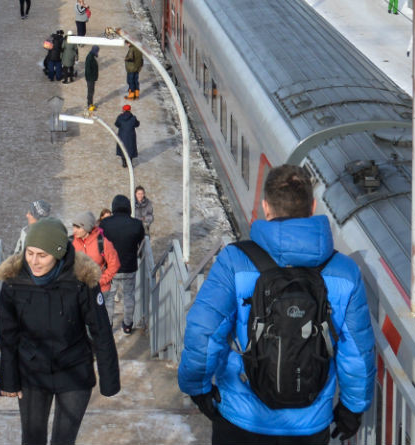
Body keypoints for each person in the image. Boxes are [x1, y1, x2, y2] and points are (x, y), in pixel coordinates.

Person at [179, 165, 374, 444]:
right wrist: (353, 408)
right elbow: (356, 351)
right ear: (313, 207)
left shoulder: (234, 261)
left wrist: (198, 388)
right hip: (309, 425)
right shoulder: (344, 271)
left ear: (266, 208)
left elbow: (204, 332)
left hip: (240, 420)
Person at [0, 218, 121, 445]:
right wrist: (9, 379)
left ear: (59, 253)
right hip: (32, 373)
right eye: (30, 253)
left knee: (63, 441)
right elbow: (7, 335)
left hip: (74, 371)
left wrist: (109, 379)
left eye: (42, 255)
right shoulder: (14, 282)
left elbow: (101, 330)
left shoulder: (81, 281)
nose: (34, 261)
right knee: (32, 439)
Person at [99, 196, 147, 336]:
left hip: (110, 268)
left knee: (108, 298)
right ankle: (127, 325)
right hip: (129, 266)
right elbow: (141, 242)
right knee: (129, 297)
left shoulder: (105, 223)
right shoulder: (137, 224)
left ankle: (107, 325)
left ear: (113, 207)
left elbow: (100, 243)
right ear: (128, 207)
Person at [69, 213, 119, 293]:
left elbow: (114, 265)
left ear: (87, 227)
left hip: (100, 290)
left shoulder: (103, 242)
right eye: (74, 227)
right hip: (77, 291)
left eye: (78, 227)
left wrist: (100, 281)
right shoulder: (70, 242)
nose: (74, 230)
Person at [83, 46, 100, 112]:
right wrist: (91, 77)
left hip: (91, 78)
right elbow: (88, 69)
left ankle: (90, 103)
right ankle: (89, 105)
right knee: (90, 91)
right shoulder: (90, 58)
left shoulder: (91, 56)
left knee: (91, 91)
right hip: (90, 78)